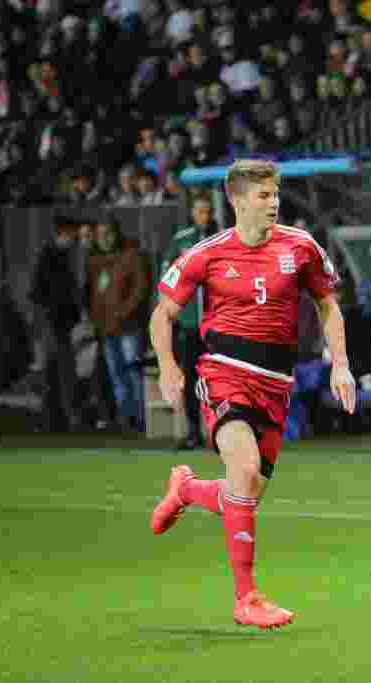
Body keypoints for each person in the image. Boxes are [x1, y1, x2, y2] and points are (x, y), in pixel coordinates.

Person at [148, 159, 357, 629]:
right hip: (224, 374)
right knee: (242, 471)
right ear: (238, 200)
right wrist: (167, 366)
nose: (274, 202)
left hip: (275, 385)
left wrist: (340, 363)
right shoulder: (208, 253)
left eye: (276, 193)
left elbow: (328, 305)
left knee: (245, 493)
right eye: (264, 195)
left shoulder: (301, 247)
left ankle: (186, 489)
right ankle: (247, 599)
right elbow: (162, 314)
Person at [160, 196, 218, 449]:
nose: (203, 215)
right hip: (189, 324)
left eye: (207, 211)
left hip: (218, 324)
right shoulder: (182, 239)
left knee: (220, 381)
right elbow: (168, 276)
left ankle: (220, 433)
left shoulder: (224, 237)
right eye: (199, 211)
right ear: (193, 213)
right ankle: (194, 431)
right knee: (192, 379)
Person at [88, 217, 152, 432]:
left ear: (117, 233)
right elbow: (93, 296)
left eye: (108, 233)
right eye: (100, 234)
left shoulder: (133, 256)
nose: (104, 238)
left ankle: (143, 420)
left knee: (133, 373)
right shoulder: (96, 261)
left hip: (129, 328)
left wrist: (121, 314)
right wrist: (97, 320)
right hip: (107, 330)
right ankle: (128, 419)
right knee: (117, 376)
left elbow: (140, 291)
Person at [29, 216, 82, 432]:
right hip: (54, 322)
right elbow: (39, 291)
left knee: (55, 371)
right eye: (72, 232)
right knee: (60, 371)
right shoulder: (51, 255)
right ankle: (62, 419)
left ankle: (54, 419)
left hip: (58, 322)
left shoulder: (60, 254)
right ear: (64, 232)